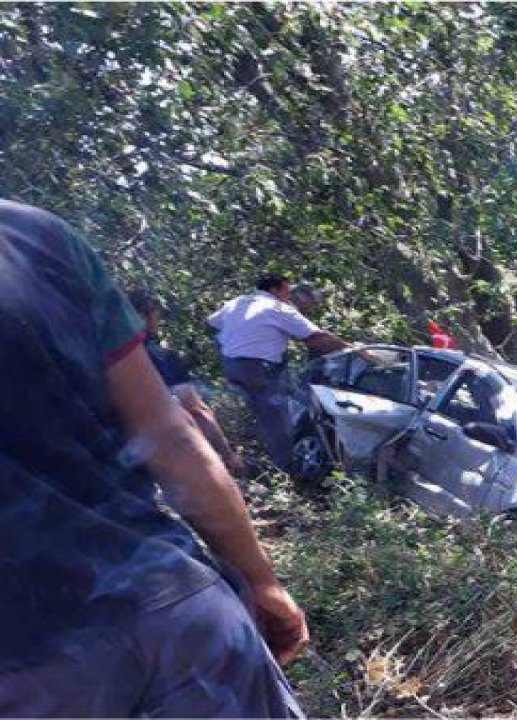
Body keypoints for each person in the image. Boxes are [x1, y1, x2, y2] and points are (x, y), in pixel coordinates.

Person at [0, 199, 305, 715]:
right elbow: (172, 435)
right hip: (175, 612)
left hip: (34, 673)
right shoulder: (35, 235)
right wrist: (260, 578)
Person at [208, 274, 348, 472]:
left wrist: (236, 339)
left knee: (267, 411)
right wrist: (353, 349)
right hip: (259, 370)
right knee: (279, 419)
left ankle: (254, 458)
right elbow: (317, 338)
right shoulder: (279, 309)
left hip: (232, 366)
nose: (288, 295)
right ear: (275, 290)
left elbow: (212, 322)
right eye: (286, 290)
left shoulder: (237, 302)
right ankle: (289, 470)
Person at [128, 289, 246, 476]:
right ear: (143, 318)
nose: (158, 322)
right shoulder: (163, 357)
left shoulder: (99, 357)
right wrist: (228, 455)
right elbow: (196, 409)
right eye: (156, 317)